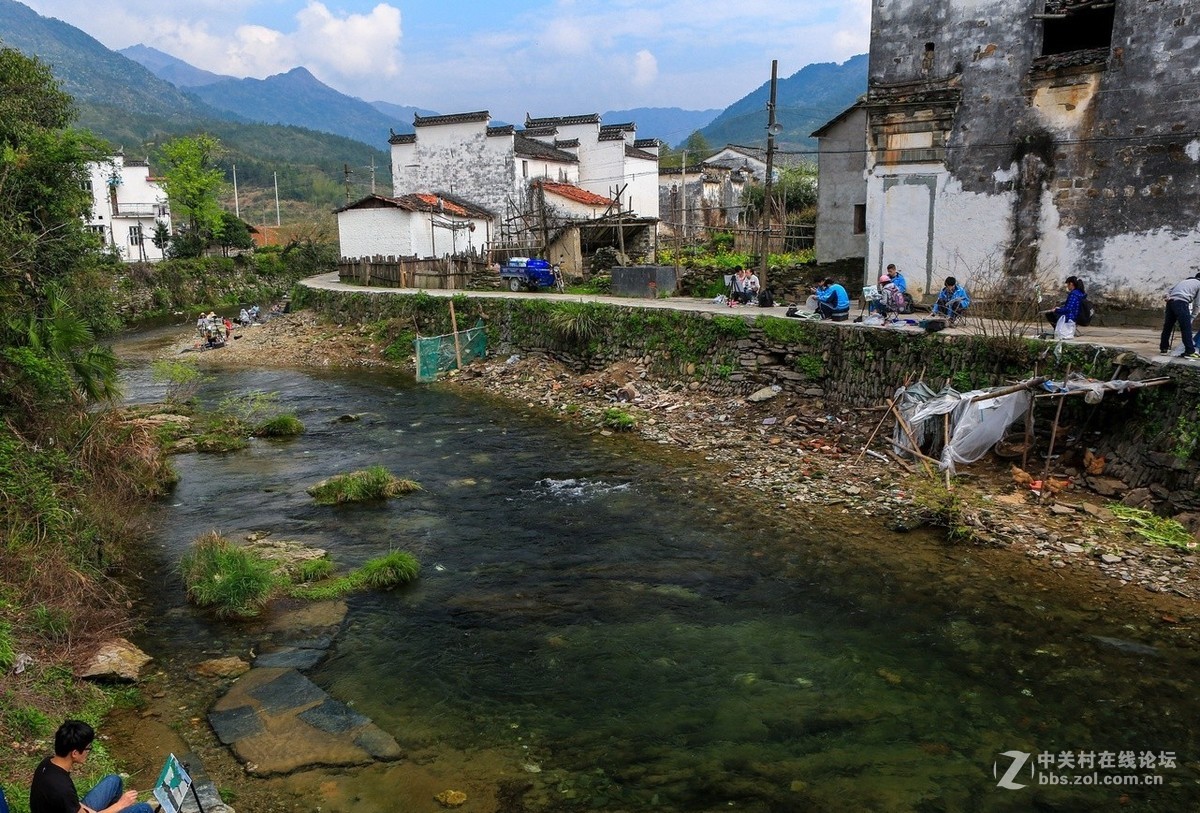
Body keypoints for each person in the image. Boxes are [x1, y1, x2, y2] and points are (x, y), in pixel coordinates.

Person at [30, 720, 152, 813]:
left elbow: (71, 804)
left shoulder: (48, 763)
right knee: (144, 809)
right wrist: (120, 805)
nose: (89, 751)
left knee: (114, 781)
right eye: (88, 748)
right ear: (75, 753)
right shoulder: (61, 788)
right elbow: (66, 798)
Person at [1159, 271, 1200, 359]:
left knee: (1168, 326)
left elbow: (1168, 292)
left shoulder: (1183, 281)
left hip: (1171, 302)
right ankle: (1190, 351)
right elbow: (1197, 304)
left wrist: (1168, 298)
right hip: (1181, 303)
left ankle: (1163, 348)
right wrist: (1192, 317)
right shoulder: (1199, 284)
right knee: (1186, 328)